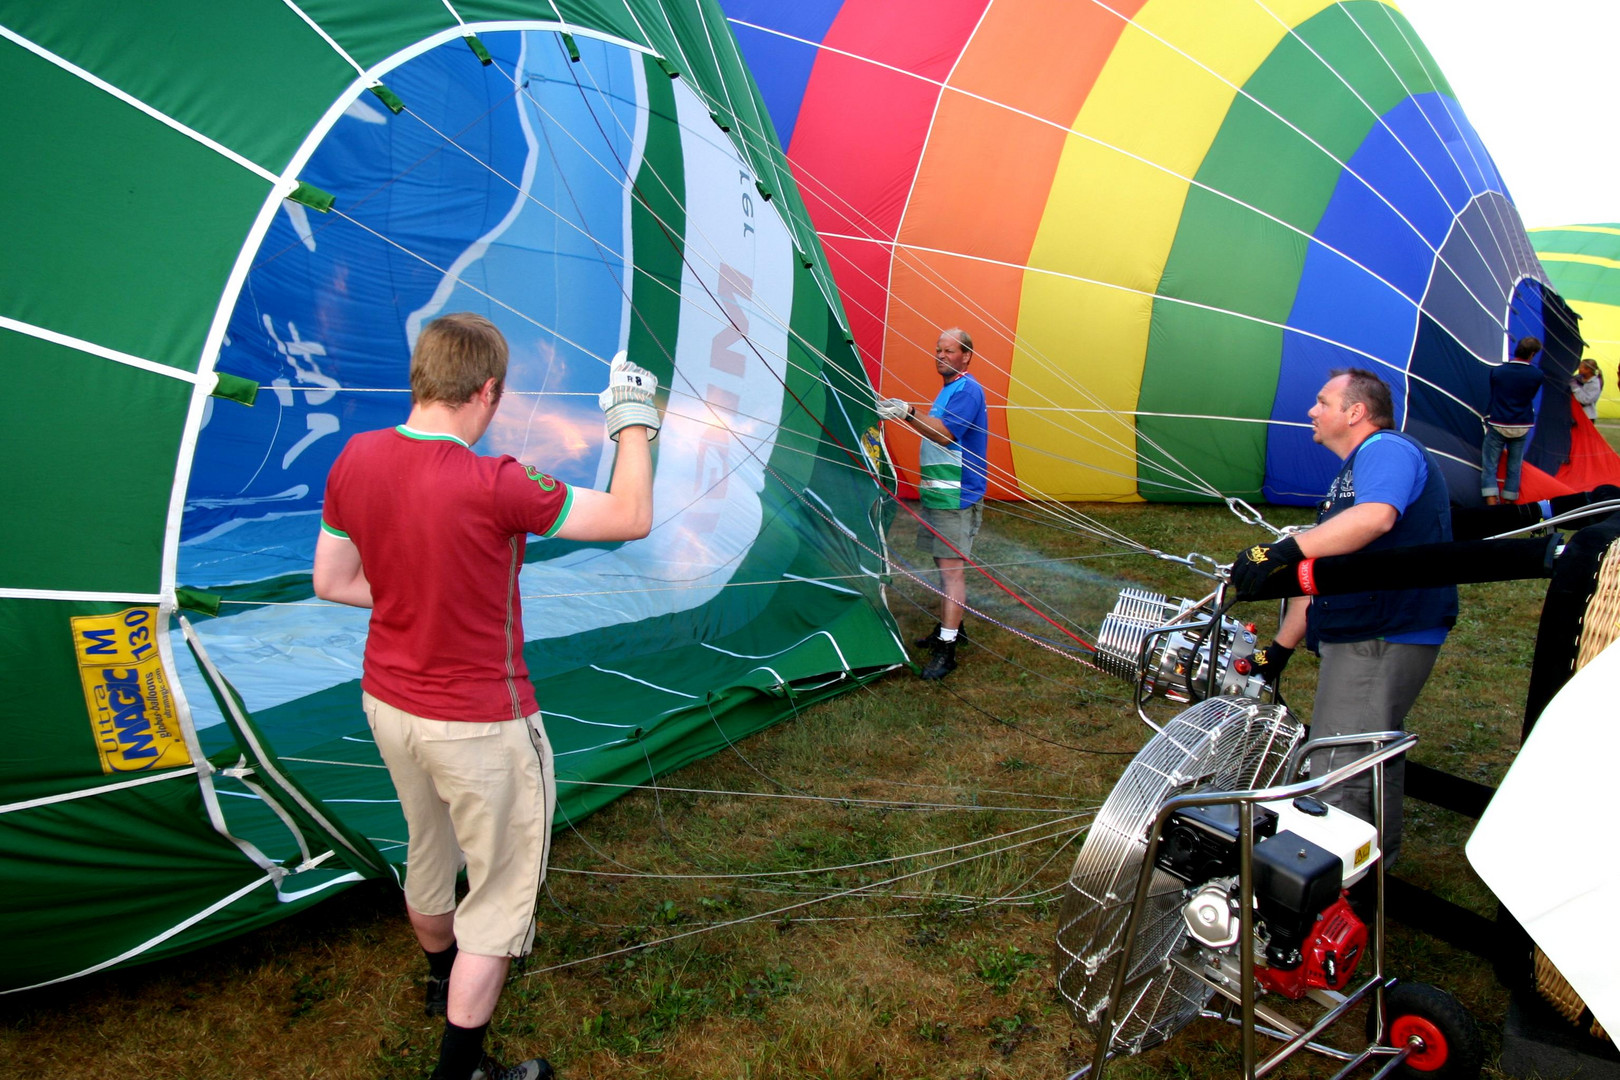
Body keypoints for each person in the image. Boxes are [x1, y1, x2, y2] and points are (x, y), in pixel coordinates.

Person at [312, 313, 658, 1080]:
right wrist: (634, 419)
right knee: (500, 901)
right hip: (480, 722)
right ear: (489, 390)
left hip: (389, 706)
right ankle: (462, 1068)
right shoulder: (497, 482)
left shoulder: (354, 458)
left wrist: (412, 596)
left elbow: (331, 582)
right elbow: (632, 517)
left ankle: (441, 979)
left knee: (428, 853)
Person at [1230, 369, 1457, 867]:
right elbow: (1322, 573)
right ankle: (1372, 872)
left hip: (1383, 633)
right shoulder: (1352, 474)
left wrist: (1282, 549)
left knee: (1339, 764)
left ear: (1355, 412)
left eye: (1322, 401)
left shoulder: (1386, 450)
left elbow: (1376, 517)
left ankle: (1330, 893)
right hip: (1365, 630)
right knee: (1369, 750)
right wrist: (1279, 650)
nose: (1312, 411)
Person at [876, 327, 990, 680]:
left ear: (966, 356)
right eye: (938, 350)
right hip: (942, 495)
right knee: (945, 568)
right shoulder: (949, 391)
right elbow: (937, 427)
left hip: (957, 497)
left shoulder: (968, 390)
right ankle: (952, 626)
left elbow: (943, 434)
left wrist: (906, 412)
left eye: (949, 351)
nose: (941, 355)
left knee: (951, 571)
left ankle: (948, 649)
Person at [1480, 336, 1547, 504]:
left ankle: (1491, 501)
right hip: (1522, 424)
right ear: (1532, 354)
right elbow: (1529, 396)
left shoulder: (1498, 371)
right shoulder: (1537, 375)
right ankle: (1509, 502)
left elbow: (1494, 394)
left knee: (1490, 465)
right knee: (1514, 467)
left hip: (1499, 422)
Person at [1572, 356, 1603, 421]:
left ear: (1588, 370)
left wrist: (1575, 387)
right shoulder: (1578, 379)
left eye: (1581, 367)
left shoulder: (1595, 384)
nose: (1579, 369)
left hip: (1587, 417)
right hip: (1575, 414)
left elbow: (1586, 400)